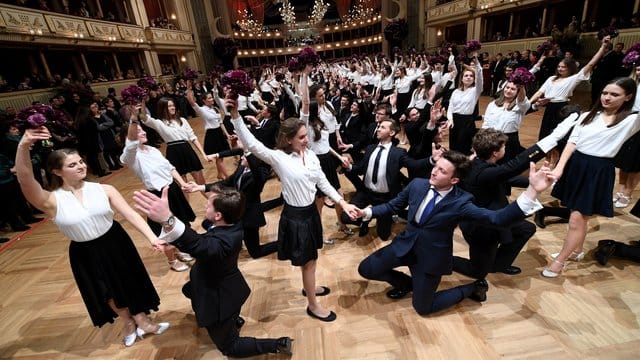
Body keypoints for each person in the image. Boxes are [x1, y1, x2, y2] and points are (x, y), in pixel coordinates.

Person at [353, 145, 553, 315]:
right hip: (404, 245)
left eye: (442, 171)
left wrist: (532, 191)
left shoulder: (462, 202)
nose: (434, 172)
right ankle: (406, 284)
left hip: (430, 257)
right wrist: (366, 213)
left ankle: (474, 287)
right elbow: (392, 206)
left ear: (454, 180)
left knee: (423, 308)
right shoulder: (417, 185)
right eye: (437, 167)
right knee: (366, 269)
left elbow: (497, 218)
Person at [15, 127, 169, 347]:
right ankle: (128, 321)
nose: (81, 166)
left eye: (81, 161)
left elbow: (131, 214)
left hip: (115, 241)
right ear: (57, 172)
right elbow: (25, 180)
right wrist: (23, 146)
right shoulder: (51, 200)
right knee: (104, 290)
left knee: (129, 281)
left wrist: (152, 237)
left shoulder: (103, 189)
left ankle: (142, 319)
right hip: (84, 251)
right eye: (72, 164)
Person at [227, 93, 359, 322]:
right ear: (288, 139)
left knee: (311, 258)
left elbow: (323, 183)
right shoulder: (279, 158)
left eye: (306, 136)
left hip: (310, 215)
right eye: (301, 137)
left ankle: (310, 288)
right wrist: (236, 116)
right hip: (296, 217)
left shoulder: (312, 156)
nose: (306, 140)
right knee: (309, 261)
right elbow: (251, 144)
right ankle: (313, 305)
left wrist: (342, 202)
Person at [132, 186, 293, 357]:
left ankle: (278, 344)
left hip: (219, 297)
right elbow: (204, 240)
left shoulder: (225, 242)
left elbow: (201, 245)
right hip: (220, 286)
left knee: (230, 347)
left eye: (208, 206)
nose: (204, 207)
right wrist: (175, 243)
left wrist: (167, 219)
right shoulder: (230, 223)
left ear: (218, 215)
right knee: (189, 290)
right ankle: (232, 321)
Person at [544, 77, 640, 277]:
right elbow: (572, 142)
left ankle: (560, 261)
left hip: (598, 171)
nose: (607, 97)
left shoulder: (631, 120)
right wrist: (560, 168)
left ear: (628, 97)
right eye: (605, 92)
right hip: (577, 166)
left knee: (576, 219)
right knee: (577, 215)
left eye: (614, 94)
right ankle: (576, 251)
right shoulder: (587, 115)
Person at [119, 117, 195, 272]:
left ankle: (179, 250)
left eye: (142, 129)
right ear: (129, 137)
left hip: (172, 190)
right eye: (138, 131)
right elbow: (130, 147)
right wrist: (133, 119)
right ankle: (172, 260)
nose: (143, 132)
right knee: (166, 229)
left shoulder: (152, 149)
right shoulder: (130, 156)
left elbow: (170, 167)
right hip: (158, 195)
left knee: (180, 224)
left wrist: (182, 183)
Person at [186, 148, 278, 259]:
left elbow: (256, 173)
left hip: (250, 219)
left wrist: (249, 151)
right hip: (237, 213)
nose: (242, 157)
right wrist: (200, 187)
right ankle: (233, 239)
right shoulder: (242, 167)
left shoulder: (261, 174)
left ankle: (284, 242)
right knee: (207, 223)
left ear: (254, 160)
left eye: (245, 156)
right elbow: (227, 182)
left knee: (255, 252)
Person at [139, 97, 210, 187]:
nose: (173, 107)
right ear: (163, 108)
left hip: (187, 150)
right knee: (183, 185)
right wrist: (142, 102)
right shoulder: (159, 123)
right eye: (169, 106)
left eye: (173, 105)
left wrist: (203, 154)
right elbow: (144, 118)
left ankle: (210, 200)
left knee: (201, 182)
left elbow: (193, 138)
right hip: (173, 152)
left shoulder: (183, 120)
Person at [186, 84, 231, 179]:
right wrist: (189, 89)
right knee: (219, 158)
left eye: (211, 98)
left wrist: (227, 134)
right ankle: (228, 178)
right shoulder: (202, 110)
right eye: (209, 98)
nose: (212, 99)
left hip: (219, 133)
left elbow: (220, 123)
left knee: (220, 157)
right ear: (204, 101)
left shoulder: (215, 108)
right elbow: (191, 102)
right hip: (212, 135)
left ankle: (219, 174)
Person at [612, 64, 640, 208]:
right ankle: (620, 190)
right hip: (628, 121)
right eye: (638, 69)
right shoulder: (632, 86)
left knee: (635, 163)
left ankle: (628, 193)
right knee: (624, 161)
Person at [481, 81, 530, 161]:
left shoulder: (521, 106)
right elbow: (486, 123)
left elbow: (522, 100)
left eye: (513, 89)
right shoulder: (493, 104)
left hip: (509, 140)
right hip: (492, 137)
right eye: (507, 87)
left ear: (518, 92)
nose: (508, 90)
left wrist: (521, 87)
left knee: (507, 164)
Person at [445, 51, 483, 155]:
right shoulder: (456, 91)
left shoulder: (475, 90)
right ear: (461, 78)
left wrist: (477, 64)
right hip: (454, 121)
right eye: (466, 75)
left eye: (471, 76)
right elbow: (450, 107)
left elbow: (480, 79)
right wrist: (450, 119)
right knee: (453, 146)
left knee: (464, 148)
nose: (469, 77)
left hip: (467, 122)